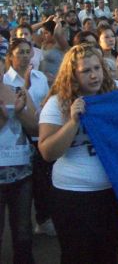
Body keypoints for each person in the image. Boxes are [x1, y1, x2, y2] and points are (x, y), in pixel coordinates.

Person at [38, 44, 118, 263]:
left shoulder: (115, 91)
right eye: (86, 71)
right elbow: (47, 152)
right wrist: (73, 122)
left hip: (112, 192)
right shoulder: (57, 102)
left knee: (108, 254)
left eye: (97, 68)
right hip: (72, 195)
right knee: (76, 255)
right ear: (73, 75)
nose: (94, 75)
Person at [0, 53, 38, 263]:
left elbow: (35, 128)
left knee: (23, 229)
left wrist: (20, 111)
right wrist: (5, 118)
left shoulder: (17, 91)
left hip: (21, 172)